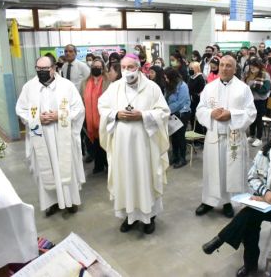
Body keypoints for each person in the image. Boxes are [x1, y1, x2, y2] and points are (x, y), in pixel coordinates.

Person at [202, 125, 271, 277]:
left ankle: (224, 243)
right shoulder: (263, 154)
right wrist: (265, 193)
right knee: (250, 221)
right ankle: (249, 266)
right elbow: (252, 176)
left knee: (249, 214)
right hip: (263, 202)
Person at [98, 53, 170, 234]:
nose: (127, 70)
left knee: (145, 177)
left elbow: (163, 111)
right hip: (122, 145)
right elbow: (102, 106)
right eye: (123, 67)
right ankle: (129, 217)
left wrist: (143, 115)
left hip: (145, 145)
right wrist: (116, 114)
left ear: (138, 67)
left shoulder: (152, 88)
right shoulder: (114, 88)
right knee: (125, 177)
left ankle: (149, 217)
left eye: (130, 67)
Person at [16, 56, 85, 216]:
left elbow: (78, 108)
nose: (41, 72)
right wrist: (37, 118)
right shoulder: (29, 87)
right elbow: (21, 109)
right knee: (45, 169)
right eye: (38, 69)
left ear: (53, 68)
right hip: (41, 135)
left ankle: (70, 201)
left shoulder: (66, 86)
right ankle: (51, 202)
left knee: (65, 167)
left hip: (62, 135)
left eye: (45, 69)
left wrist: (59, 115)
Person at [195, 55, 257, 218]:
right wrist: (211, 113)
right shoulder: (209, 87)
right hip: (214, 136)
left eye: (228, 66)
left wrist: (231, 114)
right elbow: (200, 109)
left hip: (233, 137)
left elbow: (251, 113)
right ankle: (208, 201)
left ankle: (228, 202)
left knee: (230, 171)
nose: (224, 68)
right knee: (212, 170)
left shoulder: (243, 88)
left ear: (235, 69)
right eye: (222, 65)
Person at [80, 59, 110, 174]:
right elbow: (81, 99)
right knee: (95, 143)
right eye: (94, 66)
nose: (96, 68)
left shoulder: (108, 82)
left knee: (105, 142)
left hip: (103, 117)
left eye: (98, 66)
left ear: (103, 68)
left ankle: (108, 164)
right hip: (89, 117)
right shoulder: (84, 82)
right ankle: (98, 165)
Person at [164, 67, 191, 168]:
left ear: (172, 77)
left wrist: (167, 110)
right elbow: (165, 98)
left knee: (180, 137)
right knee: (174, 137)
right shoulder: (169, 85)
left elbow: (181, 103)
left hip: (182, 113)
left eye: (167, 77)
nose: (165, 79)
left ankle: (182, 158)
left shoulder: (183, 86)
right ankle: (175, 157)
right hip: (171, 114)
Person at [244, 57, 271, 147]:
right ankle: (252, 135)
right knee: (252, 118)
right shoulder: (248, 74)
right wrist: (252, 86)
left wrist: (252, 86)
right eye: (251, 67)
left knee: (259, 119)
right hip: (250, 100)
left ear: (259, 66)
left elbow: (265, 89)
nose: (252, 69)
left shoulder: (265, 75)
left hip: (260, 101)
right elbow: (244, 85)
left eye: (254, 67)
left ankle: (259, 138)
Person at [188, 61, 206, 134]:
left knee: (197, 118)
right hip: (191, 101)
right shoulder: (191, 77)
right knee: (192, 118)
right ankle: (194, 131)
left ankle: (199, 134)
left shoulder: (200, 78)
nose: (190, 70)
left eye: (192, 68)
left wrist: (193, 95)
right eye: (189, 68)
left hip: (197, 101)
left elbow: (201, 91)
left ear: (197, 68)